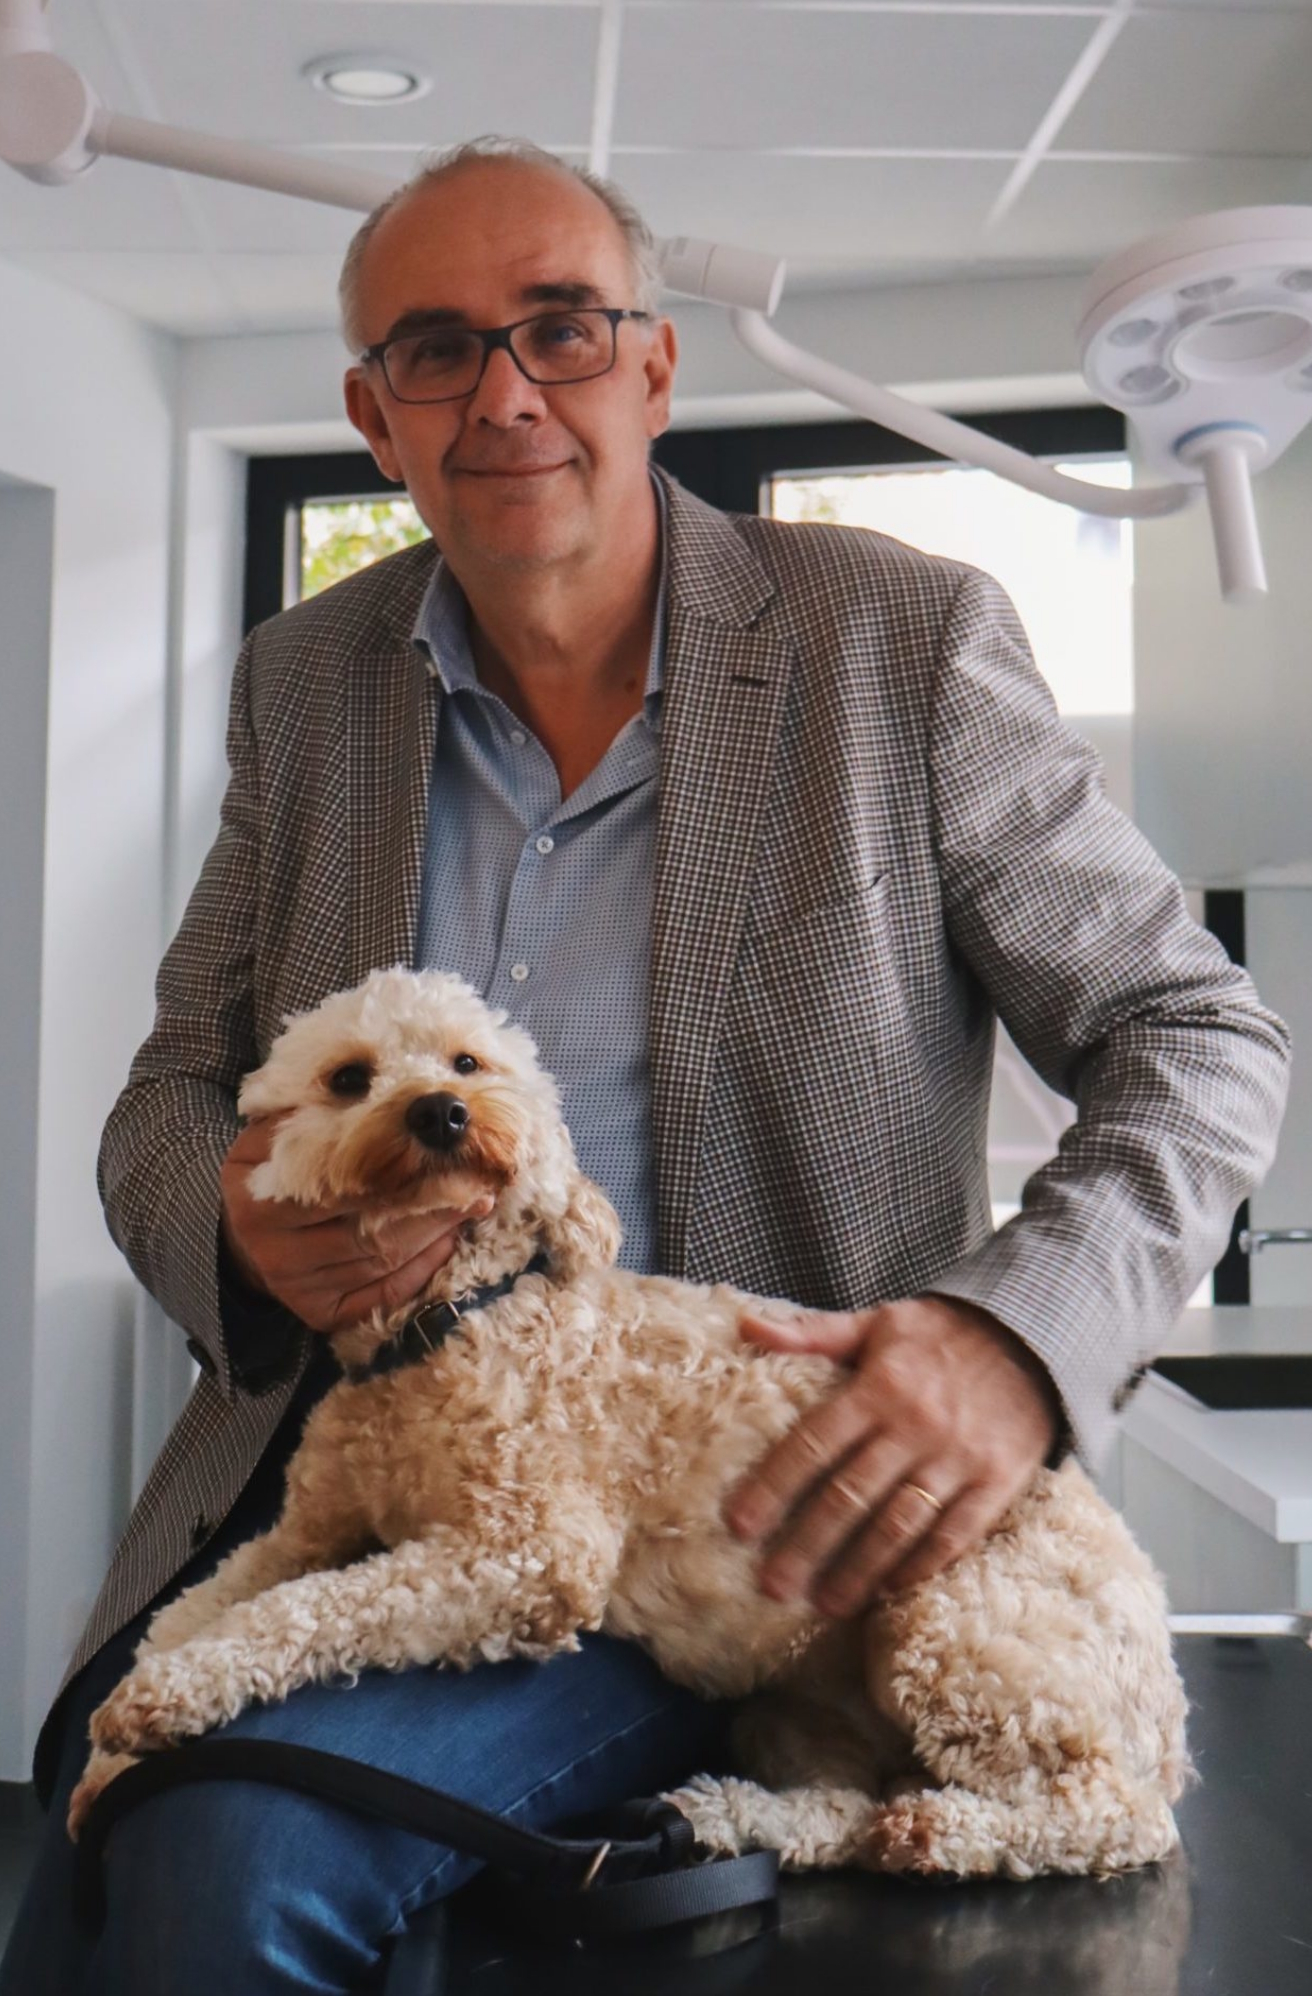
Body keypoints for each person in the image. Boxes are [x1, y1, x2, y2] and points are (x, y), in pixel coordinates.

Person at [1, 135, 1289, 1994]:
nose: (506, 393)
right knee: (84, 1852)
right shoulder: (306, 681)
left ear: (656, 367)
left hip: (733, 1522)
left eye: (563, 328)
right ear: (374, 417)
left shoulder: (899, 642)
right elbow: (172, 1090)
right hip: (344, 1469)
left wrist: (1013, 1340)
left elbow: (1195, 1034)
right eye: (437, 349)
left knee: (230, 1863)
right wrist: (228, 1223)